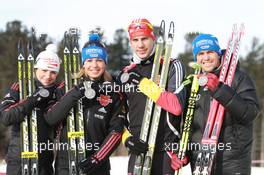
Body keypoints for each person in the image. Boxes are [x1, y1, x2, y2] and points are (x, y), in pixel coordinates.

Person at [45, 33, 125, 175]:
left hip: (97, 165)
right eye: (89, 60)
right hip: (66, 165)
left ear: (105, 63)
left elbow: (116, 132)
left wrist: (97, 158)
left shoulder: (113, 92)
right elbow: (51, 118)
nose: (94, 65)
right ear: (83, 63)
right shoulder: (66, 87)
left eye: (99, 60)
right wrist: (76, 92)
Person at [116, 18, 187, 175]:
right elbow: (119, 117)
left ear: (153, 38)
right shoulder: (125, 74)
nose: (140, 45)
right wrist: (127, 139)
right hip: (138, 151)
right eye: (135, 40)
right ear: (131, 42)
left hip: (165, 151)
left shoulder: (172, 65)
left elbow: (176, 107)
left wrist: (143, 83)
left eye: (144, 39)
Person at [187, 34, 260, 175]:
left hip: (232, 163)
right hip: (201, 163)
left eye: (210, 52)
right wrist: (185, 151)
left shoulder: (239, 78)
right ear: (196, 58)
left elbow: (251, 113)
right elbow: (189, 123)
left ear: (219, 54)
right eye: (201, 53)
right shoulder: (194, 83)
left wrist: (220, 90)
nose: (206, 58)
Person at [0, 44, 63, 175]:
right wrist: (34, 98)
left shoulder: (58, 92)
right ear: (35, 69)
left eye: (53, 72)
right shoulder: (20, 88)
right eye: (44, 70)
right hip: (18, 161)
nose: (48, 76)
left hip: (44, 162)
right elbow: (6, 117)